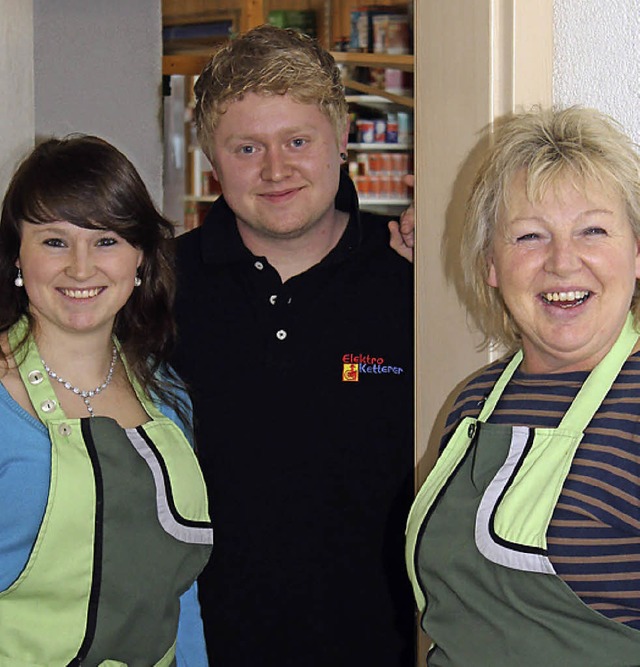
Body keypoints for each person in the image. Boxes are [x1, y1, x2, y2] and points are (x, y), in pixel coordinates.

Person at [172, 25, 415, 666]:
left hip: (387, 647)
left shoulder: (413, 280)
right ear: (212, 159)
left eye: (298, 141)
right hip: (201, 648)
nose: (275, 169)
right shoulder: (158, 288)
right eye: (246, 147)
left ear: (341, 140)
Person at [405, 105, 640, 666]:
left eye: (593, 230)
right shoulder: (474, 402)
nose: (562, 263)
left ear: (637, 253)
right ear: (490, 264)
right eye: (529, 237)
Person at [0, 135, 213, 665]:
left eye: (107, 241)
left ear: (140, 258)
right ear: (17, 256)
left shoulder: (167, 396)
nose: (80, 268)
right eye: (54, 241)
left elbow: (178, 592)